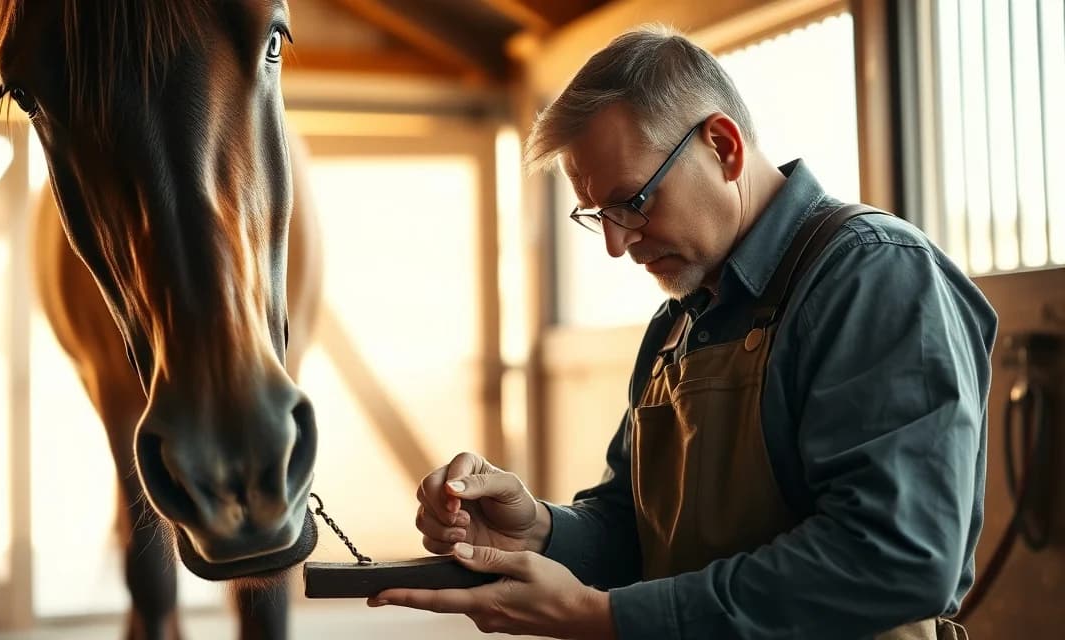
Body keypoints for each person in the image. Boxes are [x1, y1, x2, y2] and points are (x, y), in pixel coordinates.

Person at [366, 24, 997, 640]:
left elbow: (893, 558)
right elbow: (636, 530)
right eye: (600, 215)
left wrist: (608, 619)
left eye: (633, 203)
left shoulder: (873, 275)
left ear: (722, 146)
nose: (618, 246)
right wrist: (539, 530)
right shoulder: (677, 324)